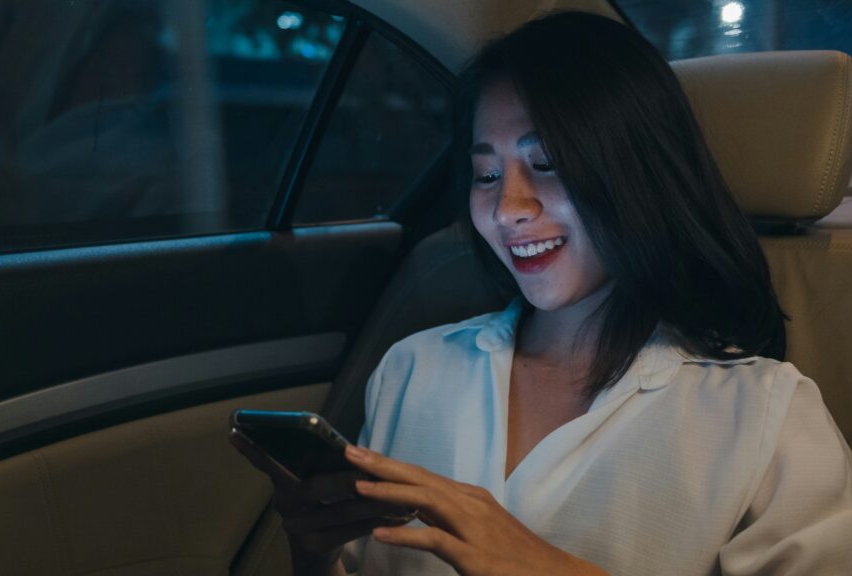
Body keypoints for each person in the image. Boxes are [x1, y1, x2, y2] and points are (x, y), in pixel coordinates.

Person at [231, 11, 852, 576]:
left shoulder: (765, 417)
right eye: (486, 175)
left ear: (639, 169)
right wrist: (313, 553)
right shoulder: (414, 369)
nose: (508, 208)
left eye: (548, 162)